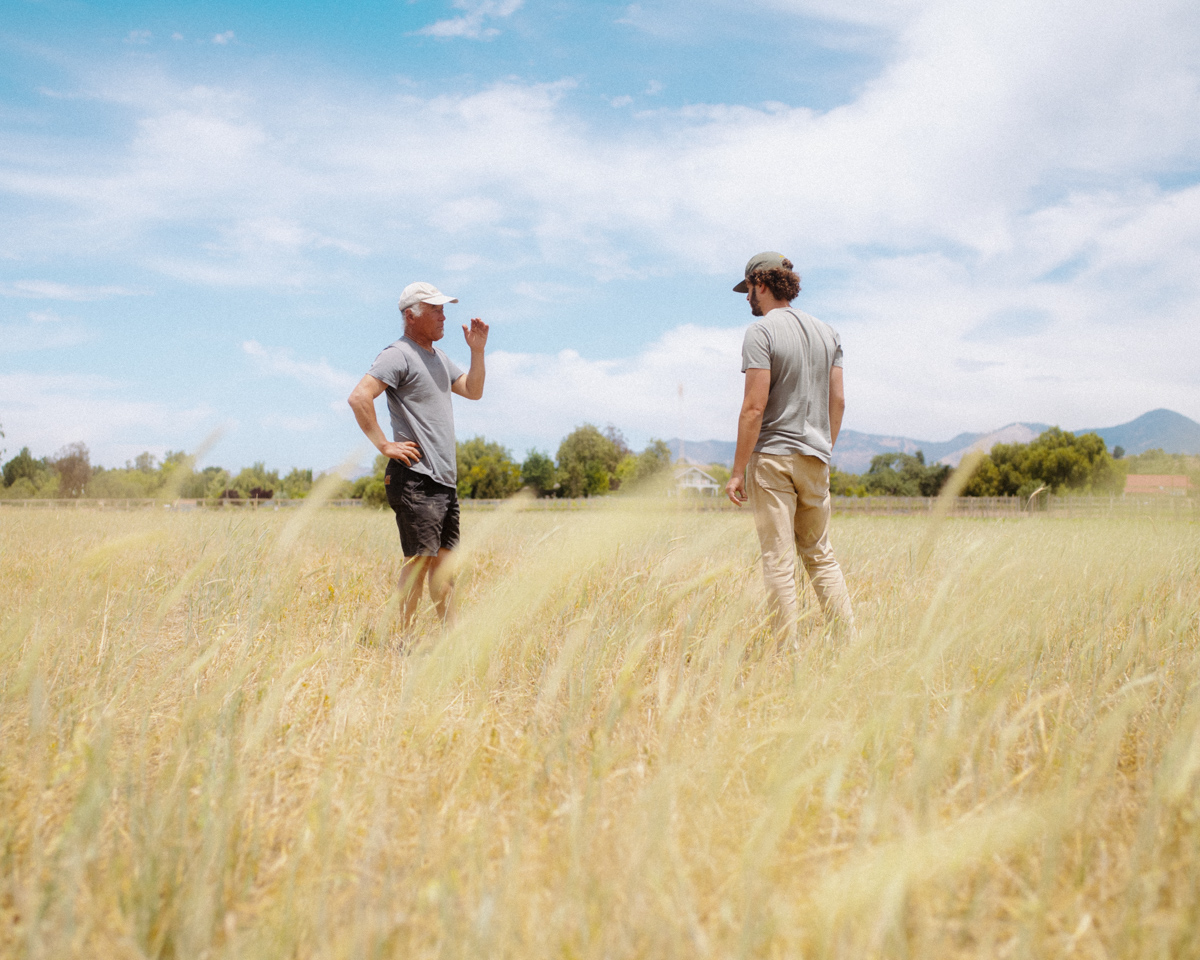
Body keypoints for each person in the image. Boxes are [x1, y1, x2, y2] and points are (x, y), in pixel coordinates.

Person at [724, 252, 854, 637]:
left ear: (760, 283)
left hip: (773, 460)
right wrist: (823, 447)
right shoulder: (828, 332)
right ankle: (848, 645)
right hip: (816, 456)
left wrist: (736, 472)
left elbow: (754, 407)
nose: (747, 296)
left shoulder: (761, 332)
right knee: (821, 556)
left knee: (778, 561)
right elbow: (839, 400)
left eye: (747, 288)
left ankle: (785, 654)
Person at [348, 281, 488, 630]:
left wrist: (478, 351)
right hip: (416, 478)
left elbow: (473, 390)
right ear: (412, 316)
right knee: (419, 563)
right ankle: (403, 642)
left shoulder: (438, 358)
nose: (444, 316)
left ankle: (451, 642)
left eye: (444, 309)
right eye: (437, 310)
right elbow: (359, 397)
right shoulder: (398, 354)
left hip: (444, 479)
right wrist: (385, 445)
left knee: (444, 566)